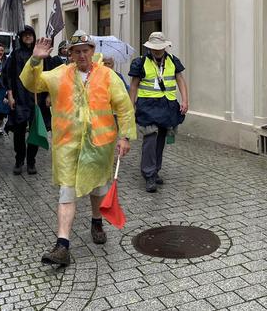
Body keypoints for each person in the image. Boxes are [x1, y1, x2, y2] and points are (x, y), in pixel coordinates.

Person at [20, 30, 135, 266]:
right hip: (67, 147)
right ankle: (62, 245)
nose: (82, 55)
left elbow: (124, 108)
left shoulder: (108, 76)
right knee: (67, 193)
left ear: (93, 51)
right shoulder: (59, 74)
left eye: (86, 50)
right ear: (69, 54)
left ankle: (96, 221)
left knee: (97, 190)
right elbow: (32, 84)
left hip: (99, 146)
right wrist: (35, 59)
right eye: (76, 51)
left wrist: (125, 137)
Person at [129, 32, 189, 193]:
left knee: (161, 139)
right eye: (154, 48)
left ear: (164, 47)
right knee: (150, 138)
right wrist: (131, 104)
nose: (156, 51)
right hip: (147, 106)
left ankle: (155, 171)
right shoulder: (140, 62)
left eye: (159, 48)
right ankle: (148, 174)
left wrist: (185, 100)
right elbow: (134, 85)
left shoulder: (172, 61)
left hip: (167, 106)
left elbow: (180, 80)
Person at [3, 26, 39, 175]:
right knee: (19, 132)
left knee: (35, 132)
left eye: (31, 35)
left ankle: (31, 162)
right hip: (19, 98)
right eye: (25, 35)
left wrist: (48, 95)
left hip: (36, 98)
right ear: (21, 38)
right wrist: (10, 95)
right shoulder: (15, 55)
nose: (28, 37)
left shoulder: (39, 54)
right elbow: (8, 76)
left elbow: (49, 74)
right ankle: (19, 160)